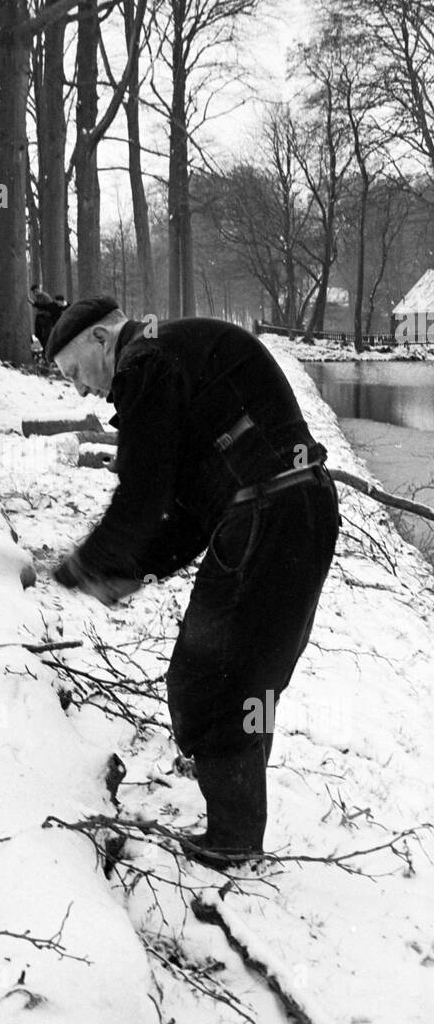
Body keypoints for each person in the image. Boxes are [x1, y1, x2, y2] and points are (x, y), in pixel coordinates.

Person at [46, 295, 340, 867]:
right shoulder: (175, 358)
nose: (81, 390)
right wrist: (128, 571)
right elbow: (182, 513)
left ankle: (233, 839)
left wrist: (86, 563)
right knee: (254, 680)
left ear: (104, 341)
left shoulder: (146, 364)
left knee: (204, 680)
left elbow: (141, 494)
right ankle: (238, 830)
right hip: (303, 507)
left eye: (76, 372)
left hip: (266, 511)